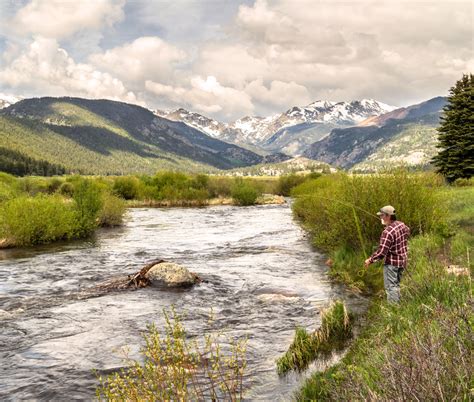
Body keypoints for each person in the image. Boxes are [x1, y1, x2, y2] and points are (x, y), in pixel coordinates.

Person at [364, 205, 410, 303]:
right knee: (396, 284)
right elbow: (408, 232)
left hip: (392, 264)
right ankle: (398, 305)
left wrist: (370, 260)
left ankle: (394, 310)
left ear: (388, 216)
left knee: (391, 287)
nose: (380, 217)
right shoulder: (401, 224)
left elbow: (381, 252)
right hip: (403, 261)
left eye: (382, 215)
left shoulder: (387, 232)